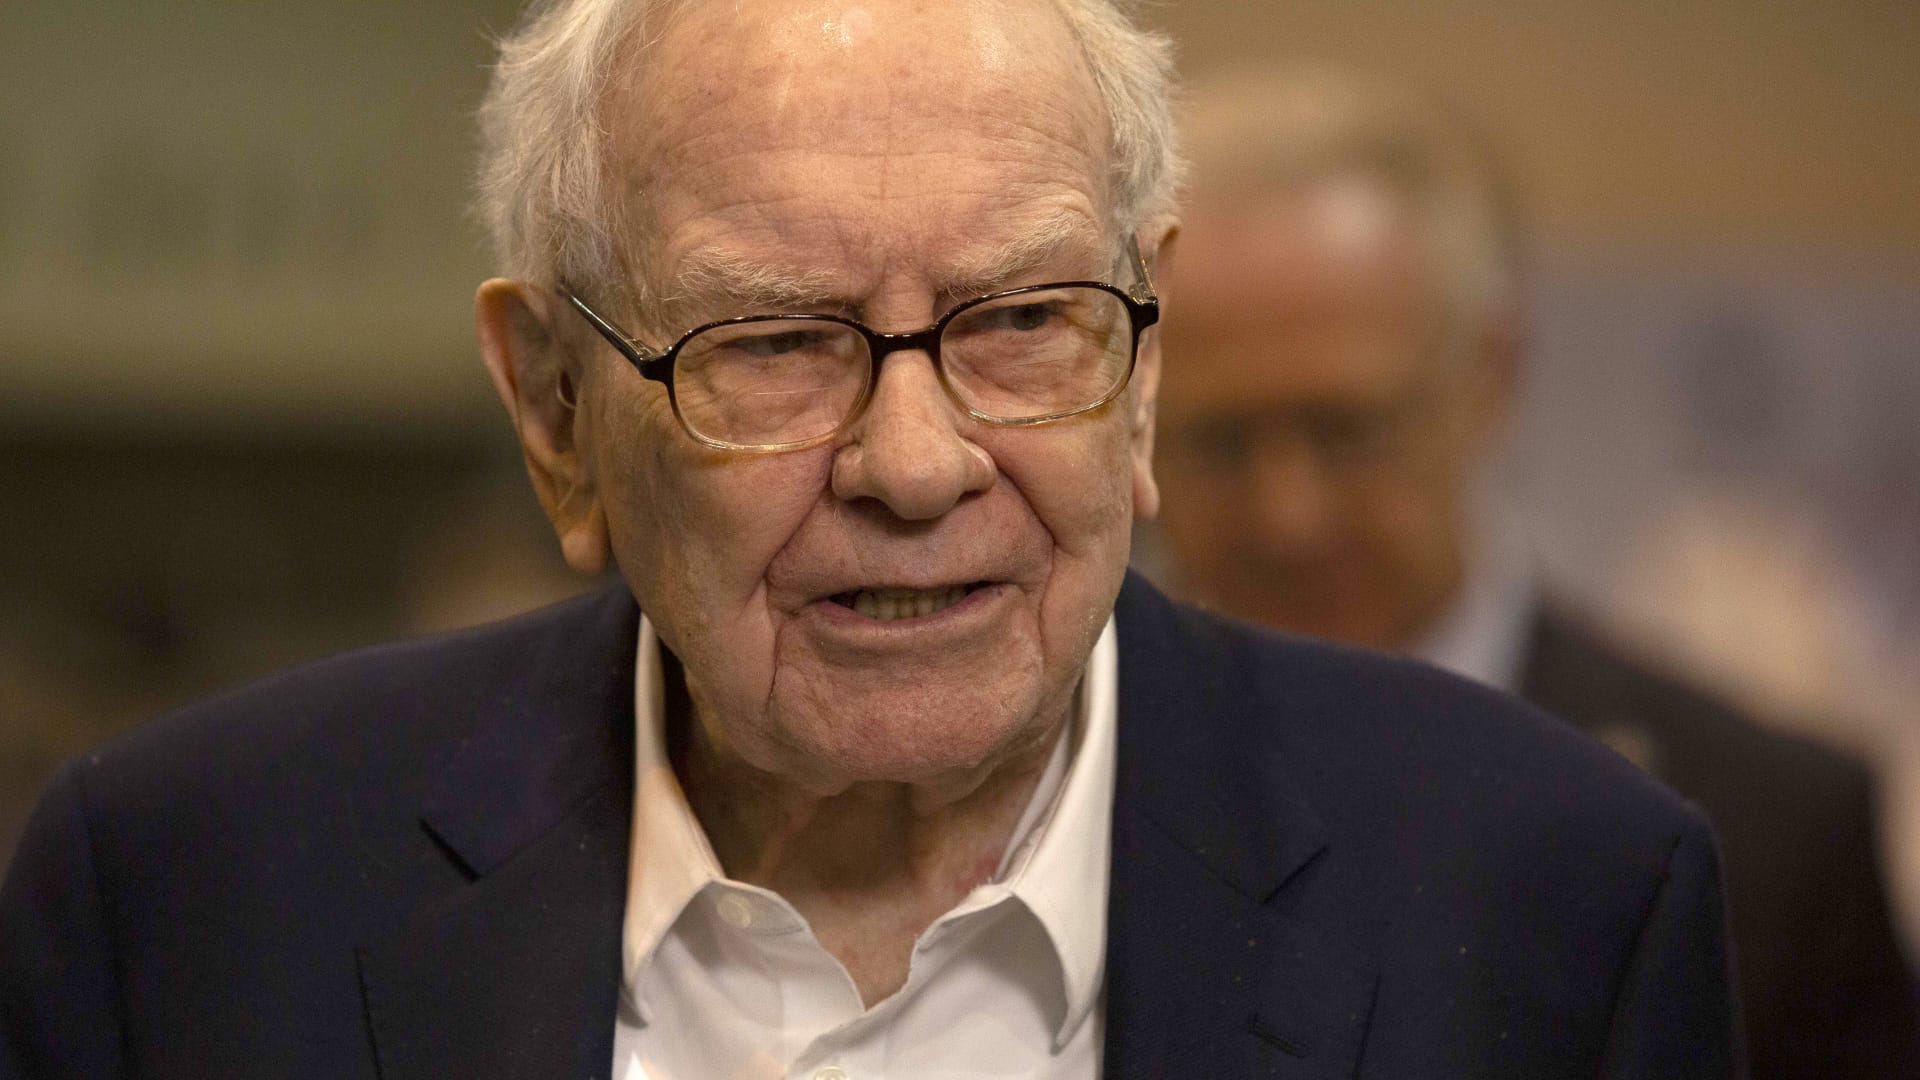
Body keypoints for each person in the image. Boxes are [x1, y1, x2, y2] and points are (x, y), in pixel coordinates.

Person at [1, 4, 1739, 1077]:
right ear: (554, 406)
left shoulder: (1557, 903)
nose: (915, 465)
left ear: (1145, 370)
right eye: (772, 340)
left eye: (1025, 319)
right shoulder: (187, 898)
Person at [1153, 67, 1916, 1078]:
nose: (1288, 513)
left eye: (1348, 431)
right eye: (1218, 441)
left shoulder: (1767, 830)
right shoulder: (1065, 787)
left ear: (1491, 376)